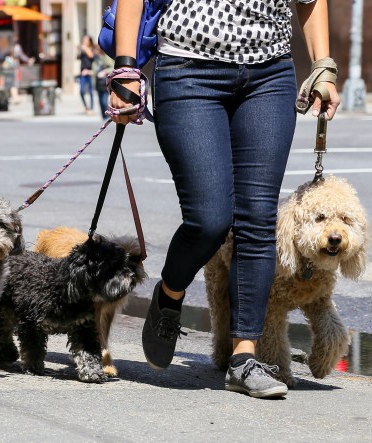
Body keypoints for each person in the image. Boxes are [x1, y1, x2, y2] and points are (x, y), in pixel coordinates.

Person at [110, 0, 339, 398]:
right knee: (209, 218)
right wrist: (127, 67)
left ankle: (244, 357)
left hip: (270, 73)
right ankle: (170, 293)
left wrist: (324, 65)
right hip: (188, 71)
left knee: (257, 219)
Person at [92, 45, 113, 119]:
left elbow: (112, 67)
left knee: (104, 100)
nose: (93, 52)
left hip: (104, 82)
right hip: (98, 83)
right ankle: (103, 117)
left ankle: (107, 116)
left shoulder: (106, 58)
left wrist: (104, 72)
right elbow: (94, 71)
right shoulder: (96, 59)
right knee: (100, 101)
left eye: (95, 50)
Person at [78, 35, 95, 115]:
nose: (84, 41)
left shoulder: (91, 49)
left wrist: (85, 48)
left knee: (91, 91)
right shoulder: (82, 49)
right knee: (81, 91)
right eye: (83, 39)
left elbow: (91, 56)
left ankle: (91, 108)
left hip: (90, 71)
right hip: (83, 72)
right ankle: (86, 107)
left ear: (89, 41)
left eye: (86, 40)